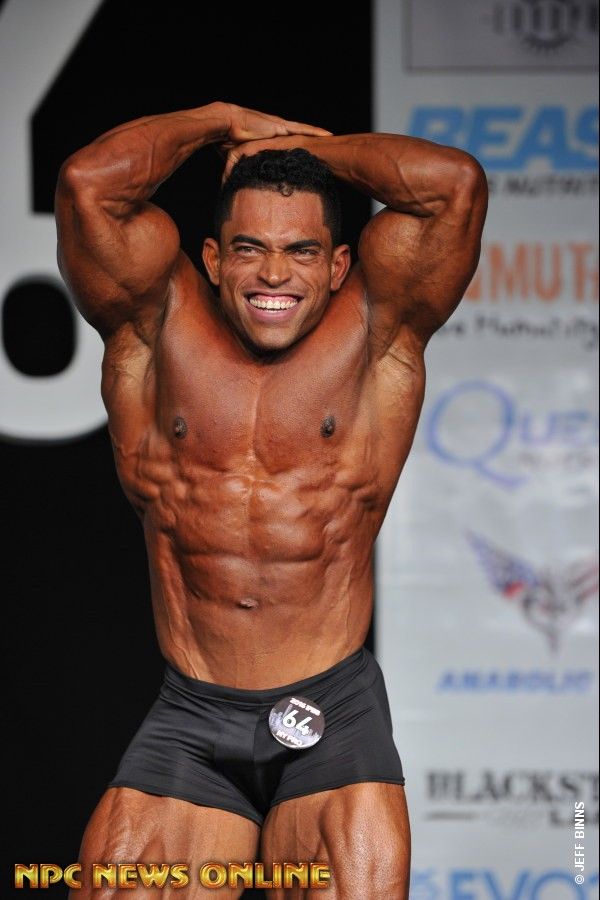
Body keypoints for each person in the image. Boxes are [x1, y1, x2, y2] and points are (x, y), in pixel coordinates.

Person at [55, 101, 487, 898]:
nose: (274, 275)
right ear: (214, 258)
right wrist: (220, 121)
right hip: (191, 715)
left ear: (339, 264)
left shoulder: (378, 330)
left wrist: (304, 149)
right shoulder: (154, 323)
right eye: (250, 249)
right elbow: (89, 185)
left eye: (301, 251)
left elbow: (452, 187)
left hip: (332, 714)